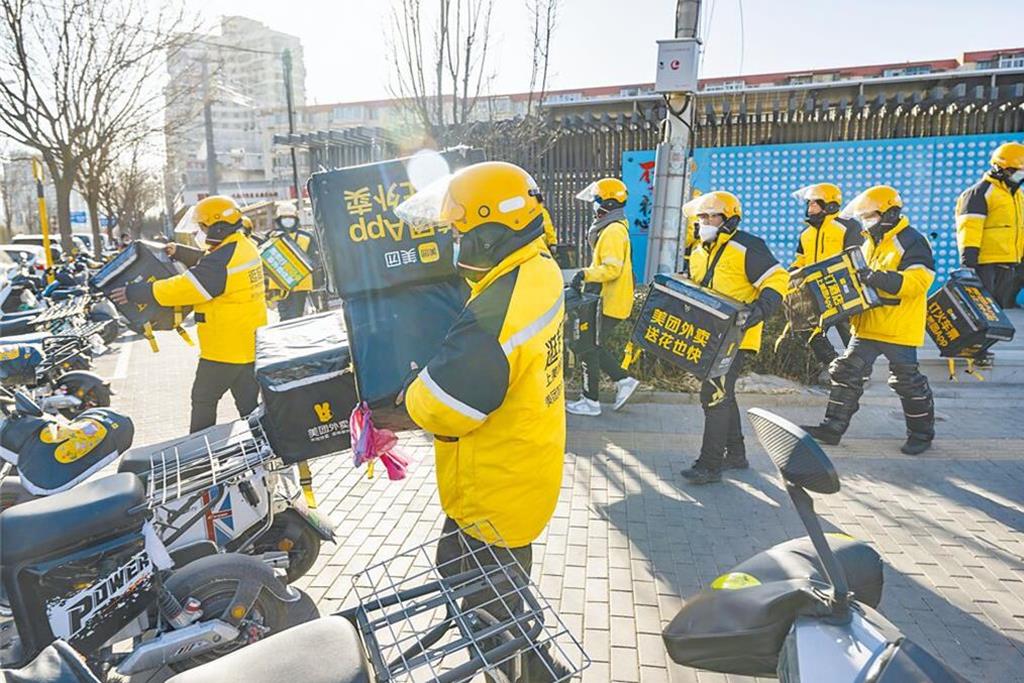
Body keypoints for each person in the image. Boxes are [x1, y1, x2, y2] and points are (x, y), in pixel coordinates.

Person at [396, 161, 567, 681]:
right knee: (495, 598)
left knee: (488, 617)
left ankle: (532, 672)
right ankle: (535, 666)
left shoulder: (502, 308)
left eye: (459, 231)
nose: (454, 241)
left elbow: (444, 406)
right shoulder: (536, 268)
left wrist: (408, 394)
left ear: (491, 232)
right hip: (522, 472)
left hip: (493, 493)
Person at [110, 195, 268, 433]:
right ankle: (263, 446)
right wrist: (180, 252)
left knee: (203, 400)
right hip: (247, 343)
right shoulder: (241, 246)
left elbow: (186, 288)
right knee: (248, 404)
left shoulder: (224, 258)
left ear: (218, 226)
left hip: (224, 348)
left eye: (203, 227)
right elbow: (211, 264)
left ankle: (200, 452)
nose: (200, 232)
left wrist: (137, 292)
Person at [802, 186, 936, 456]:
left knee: (907, 381)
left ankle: (921, 435)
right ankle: (832, 428)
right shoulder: (870, 241)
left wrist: (876, 278)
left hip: (897, 326)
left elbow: (920, 281)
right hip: (867, 326)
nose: (865, 221)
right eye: (862, 217)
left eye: (869, 216)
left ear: (890, 213)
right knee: (846, 373)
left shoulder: (911, 240)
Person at [683, 191, 787, 485]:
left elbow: (778, 278)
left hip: (737, 337)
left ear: (729, 219)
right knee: (723, 394)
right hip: (711, 335)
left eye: (711, 216)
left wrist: (759, 310)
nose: (705, 222)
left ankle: (710, 465)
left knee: (713, 395)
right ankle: (737, 454)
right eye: (702, 217)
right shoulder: (700, 250)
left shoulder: (747, 246)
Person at [565, 177, 640, 416]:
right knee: (591, 346)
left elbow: (611, 269)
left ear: (607, 203)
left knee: (588, 348)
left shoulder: (613, 231)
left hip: (609, 302)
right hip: (608, 300)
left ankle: (592, 401)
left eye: (596, 201)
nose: (594, 206)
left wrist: (584, 274)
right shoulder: (612, 227)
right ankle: (621, 381)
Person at [789, 183, 864, 369]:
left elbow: (855, 257)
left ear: (830, 205)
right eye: (809, 203)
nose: (810, 207)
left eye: (815, 203)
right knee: (808, 329)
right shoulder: (806, 233)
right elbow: (800, 260)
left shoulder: (848, 226)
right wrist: (791, 273)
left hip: (843, 290)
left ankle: (859, 371)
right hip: (814, 291)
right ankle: (833, 364)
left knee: (849, 333)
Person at [956, 141, 1024, 309]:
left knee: (998, 313)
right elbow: (969, 229)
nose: (1020, 176)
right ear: (999, 168)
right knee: (982, 311)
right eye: (1016, 171)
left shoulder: (1018, 196)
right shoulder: (980, 192)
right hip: (985, 266)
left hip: (1010, 264)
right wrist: (968, 264)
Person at [269, 201, 320, 321]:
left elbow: (315, 260)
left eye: (290, 218)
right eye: (284, 218)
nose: (287, 220)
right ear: (279, 219)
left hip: (300, 284)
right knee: (284, 316)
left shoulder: (306, 237)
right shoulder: (272, 237)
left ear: (296, 219)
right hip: (280, 284)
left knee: (296, 315)